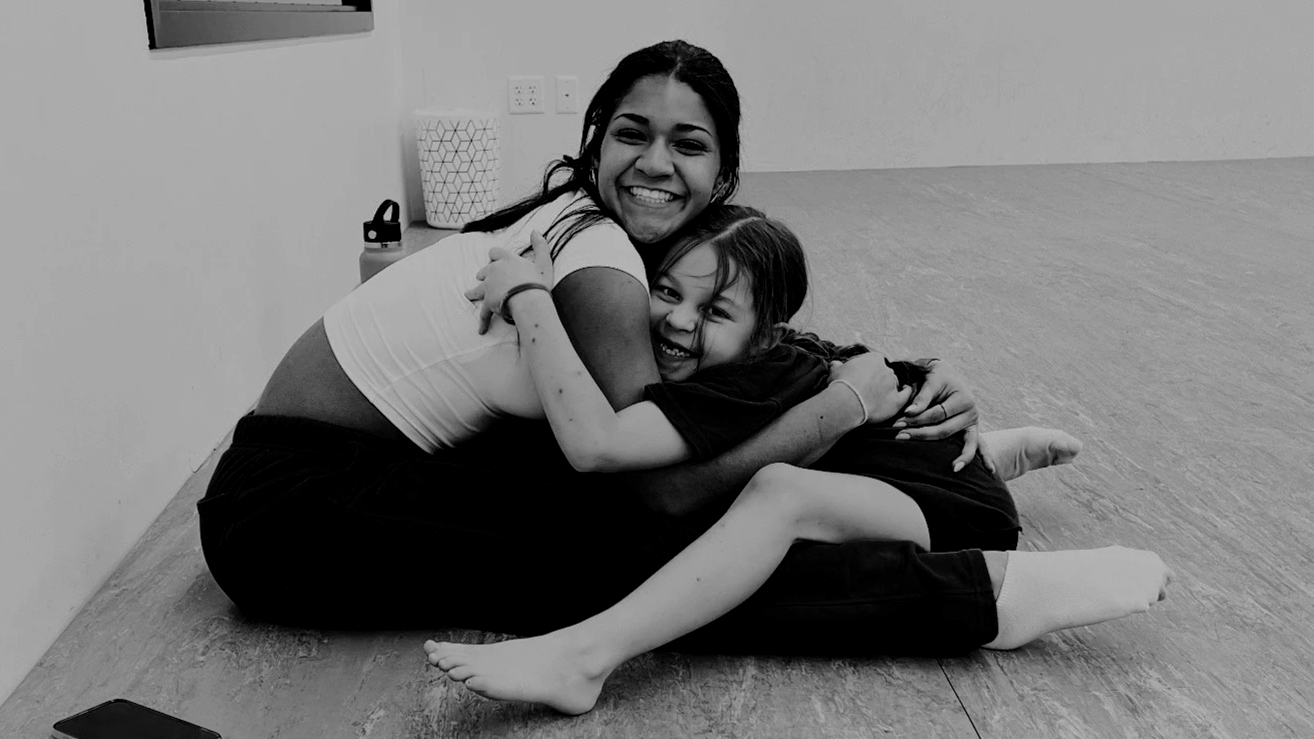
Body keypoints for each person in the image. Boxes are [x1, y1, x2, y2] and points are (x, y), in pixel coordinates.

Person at [196, 39, 1168, 662]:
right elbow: (658, 487)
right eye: (631, 133)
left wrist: (902, 380)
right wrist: (839, 408)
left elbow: (737, 360)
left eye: (688, 144)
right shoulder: (597, 259)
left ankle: (919, 474)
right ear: (592, 141)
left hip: (371, 467)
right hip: (293, 513)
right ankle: (981, 598)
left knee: (698, 413)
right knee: (649, 543)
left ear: (725, 171)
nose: (656, 161)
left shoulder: (611, 240)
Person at [422, 204, 1171, 714]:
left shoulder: (742, 380)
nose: (677, 322)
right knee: (794, 467)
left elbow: (596, 444)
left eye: (715, 312)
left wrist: (530, 294)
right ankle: (990, 457)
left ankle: (585, 657)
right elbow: (862, 363)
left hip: (941, 514)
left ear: (763, 332)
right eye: (665, 291)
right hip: (912, 466)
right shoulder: (778, 355)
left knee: (781, 490)